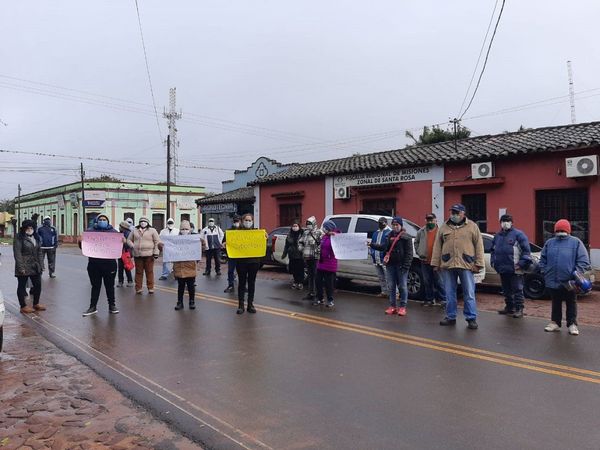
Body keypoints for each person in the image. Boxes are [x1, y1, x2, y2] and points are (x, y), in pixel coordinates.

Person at [431, 204, 484, 330]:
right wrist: (435, 263)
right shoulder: (444, 226)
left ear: (463, 213)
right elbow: (437, 246)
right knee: (449, 292)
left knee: (469, 293)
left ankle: (471, 318)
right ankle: (450, 317)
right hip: (448, 264)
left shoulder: (472, 226)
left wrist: (478, 264)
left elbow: (479, 246)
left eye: (456, 212)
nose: (453, 215)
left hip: (466, 264)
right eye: (452, 212)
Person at [539, 219, 590, 336]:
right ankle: (555, 322)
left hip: (569, 281)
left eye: (563, 230)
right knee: (555, 302)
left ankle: (572, 324)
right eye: (558, 230)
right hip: (552, 279)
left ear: (568, 230)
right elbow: (543, 259)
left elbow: (583, 261)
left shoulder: (576, 242)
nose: (560, 232)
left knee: (571, 302)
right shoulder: (550, 243)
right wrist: (544, 270)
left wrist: (576, 275)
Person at [490, 214, 532, 318]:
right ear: (500, 222)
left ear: (512, 222)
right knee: (506, 290)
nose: (505, 223)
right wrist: (493, 263)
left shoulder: (519, 234)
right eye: (503, 221)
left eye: (507, 220)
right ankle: (509, 307)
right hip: (502, 268)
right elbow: (493, 251)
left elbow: (526, 251)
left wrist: (521, 264)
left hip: (515, 268)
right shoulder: (497, 236)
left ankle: (519, 309)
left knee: (517, 289)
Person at [370, 217, 412, 316]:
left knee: (402, 286)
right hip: (390, 265)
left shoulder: (406, 237)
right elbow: (384, 247)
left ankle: (402, 307)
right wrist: (372, 245)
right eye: (393, 225)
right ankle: (392, 306)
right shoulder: (389, 236)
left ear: (401, 225)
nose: (395, 227)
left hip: (401, 266)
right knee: (391, 286)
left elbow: (409, 254)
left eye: (397, 225)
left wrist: (406, 266)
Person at [81, 215, 120, 316]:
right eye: (100, 220)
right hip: (94, 264)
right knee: (95, 286)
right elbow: (84, 247)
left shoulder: (114, 232)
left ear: (108, 221)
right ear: (97, 221)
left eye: (104, 220)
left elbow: (120, 247)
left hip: (109, 264)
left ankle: (112, 305)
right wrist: (80, 242)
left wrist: (123, 242)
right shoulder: (90, 232)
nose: (102, 221)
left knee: (110, 286)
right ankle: (92, 307)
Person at [13, 219, 45, 313]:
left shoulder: (36, 237)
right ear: (24, 228)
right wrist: (20, 267)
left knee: (38, 285)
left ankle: (36, 303)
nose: (30, 229)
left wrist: (41, 265)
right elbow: (17, 253)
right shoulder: (19, 237)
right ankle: (23, 306)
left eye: (31, 227)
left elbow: (39, 252)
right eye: (28, 228)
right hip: (23, 265)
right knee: (22, 286)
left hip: (35, 265)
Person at [414, 213, 446, 307]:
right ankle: (429, 299)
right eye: (428, 220)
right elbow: (416, 242)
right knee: (427, 281)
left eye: (432, 220)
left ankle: (444, 300)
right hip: (425, 260)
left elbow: (445, 245)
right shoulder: (421, 231)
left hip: (437, 261)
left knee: (439, 281)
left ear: (436, 220)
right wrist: (419, 252)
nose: (430, 222)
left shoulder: (441, 232)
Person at [235, 213, 264, 314]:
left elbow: (262, 243)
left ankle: (250, 304)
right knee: (242, 283)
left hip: (254, 262)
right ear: (242, 221)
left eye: (250, 220)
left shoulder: (256, 232)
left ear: (252, 222)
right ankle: (241, 305)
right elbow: (228, 242)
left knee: (252, 283)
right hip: (241, 262)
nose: (248, 222)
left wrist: (264, 237)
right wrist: (226, 243)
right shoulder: (236, 233)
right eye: (246, 220)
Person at [126, 217, 160, 294]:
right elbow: (128, 240)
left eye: (144, 221)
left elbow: (157, 242)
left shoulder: (152, 230)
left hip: (149, 255)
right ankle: (138, 288)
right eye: (141, 221)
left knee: (149, 272)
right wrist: (133, 246)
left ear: (148, 223)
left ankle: (150, 288)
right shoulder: (134, 230)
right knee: (138, 272)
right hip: (138, 255)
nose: (143, 223)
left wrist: (156, 252)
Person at [173, 220, 197, 311]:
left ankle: (192, 301)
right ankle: (180, 302)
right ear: (180, 229)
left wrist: (202, 243)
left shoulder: (194, 238)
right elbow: (169, 249)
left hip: (190, 265)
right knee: (181, 285)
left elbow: (201, 248)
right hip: (179, 266)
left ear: (190, 229)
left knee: (191, 286)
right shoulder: (175, 239)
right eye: (182, 229)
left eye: (186, 229)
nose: (184, 230)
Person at [313, 220, 338, 308]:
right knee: (318, 282)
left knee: (329, 284)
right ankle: (320, 298)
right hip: (321, 263)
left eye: (325, 227)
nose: (323, 229)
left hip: (330, 265)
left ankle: (330, 300)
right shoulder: (324, 237)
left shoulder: (335, 237)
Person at [298, 216, 323, 301]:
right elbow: (300, 241)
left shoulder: (319, 232)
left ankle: (317, 293)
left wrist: (318, 251)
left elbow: (322, 244)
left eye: (310, 224)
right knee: (310, 276)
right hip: (307, 257)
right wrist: (300, 247)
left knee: (316, 276)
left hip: (316, 257)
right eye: (307, 224)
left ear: (314, 224)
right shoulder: (305, 232)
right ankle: (311, 293)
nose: (308, 225)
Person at [370, 217, 391, 298]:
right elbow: (372, 243)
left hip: (384, 258)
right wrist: (372, 252)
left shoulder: (389, 233)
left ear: (385, 223)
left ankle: (395, 293)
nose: (381, 225)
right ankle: (384, 291)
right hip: (376, 257)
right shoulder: (376, 233)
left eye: (382, 223)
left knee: (389, 277)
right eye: (379, 223)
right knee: (381, 277)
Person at [282, 219, 305, 290]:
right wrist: (284, 253)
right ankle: (295, 281)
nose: (295, 227)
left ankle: (300, 283)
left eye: (296, 226)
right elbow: (287, 245)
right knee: (294, 270)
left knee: (300, 270)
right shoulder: (289, 235)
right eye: (293, 226)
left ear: (299, 226)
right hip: (292, 255)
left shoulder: (302, 234)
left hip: (300, 255)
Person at [223, 215, 240, 293]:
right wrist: (224, 244)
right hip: (232, 255)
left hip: (241, 255)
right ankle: (230, 285)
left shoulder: (244, 231)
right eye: (235, 221)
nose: (236, 223)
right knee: (230, 271)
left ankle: (243, 286)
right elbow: (223, 242)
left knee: (242, 271)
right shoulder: (228, 231)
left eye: (237, 221)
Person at [117, 221, 134, 287]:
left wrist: (125, 242)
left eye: (120, 226)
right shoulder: (120, 233)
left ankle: (130, 281)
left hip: (126, 253)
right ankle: (120, 281)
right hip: (120, 253)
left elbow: (129, 245)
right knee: (120, 268)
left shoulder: (129, 234)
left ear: (123, 227)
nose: (119, 227)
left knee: (127, 267)